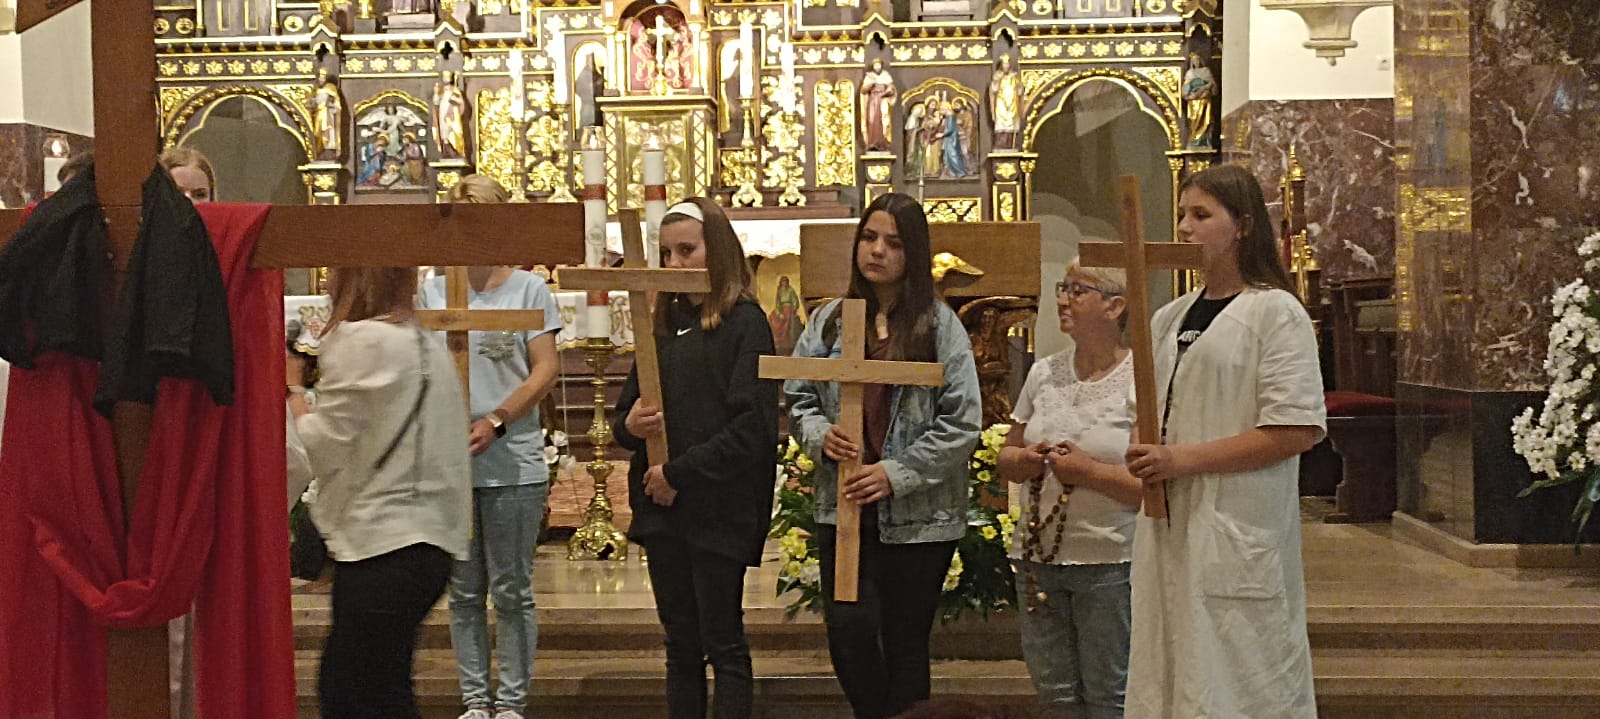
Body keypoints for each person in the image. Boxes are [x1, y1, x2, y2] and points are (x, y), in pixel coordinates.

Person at [1122, 164, 1325, 718]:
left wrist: (1179, 459)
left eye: (1201, 215)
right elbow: (1144, 410)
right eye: (1181, 214)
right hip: (1168, 525)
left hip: (1235, 522)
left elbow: (1295, 428)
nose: (1184, 227)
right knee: (1169, 673)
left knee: (1238, 681)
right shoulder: (1168, 318)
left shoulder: (1275, 312)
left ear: (1243, 225)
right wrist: (1144, 449)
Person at [786, 192, 982, 719]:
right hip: (845, 503)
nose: (877, 251)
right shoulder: (830, 321)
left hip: (918, 515)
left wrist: (896, 473)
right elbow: (799, 396)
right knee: (847, 630)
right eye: (869, 238)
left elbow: (963, 421)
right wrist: (820, 435)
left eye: (893, 243)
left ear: (913, 252)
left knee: (905, 642)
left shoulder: (938, 326)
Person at [611, 197, 778, 719]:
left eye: (687, 250)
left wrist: (678, 474)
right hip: (664, 509)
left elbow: (751, 427)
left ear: (718, 251)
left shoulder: (745, 323)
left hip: (717, 504)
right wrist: (631, 426)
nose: (674, 264)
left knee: (722, 641)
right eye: (666, 253)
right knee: (680, 643)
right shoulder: (661, 324)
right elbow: (624, 416)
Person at [290, 266, 471, 719]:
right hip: (430, 545)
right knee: (381, 689)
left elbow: (323, 446)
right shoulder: (426, 343)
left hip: (383, 544)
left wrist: (292, 391)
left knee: (352, 694)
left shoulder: (363, 340)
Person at [421, 175, 564, 719]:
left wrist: (497, 420)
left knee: (510, 590)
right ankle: (475, 701)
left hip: (511, 459)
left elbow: (544, 368)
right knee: (462, 593)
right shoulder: (434, 289)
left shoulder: (528, 289)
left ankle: (511, 703)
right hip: (449, 460)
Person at [996, 262, 1141, 719]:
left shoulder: (1140, 378)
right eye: (1064, 288)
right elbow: (1006, 456)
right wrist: (1024, 459)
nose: (1062, 299)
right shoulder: (1044, 373)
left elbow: (1150, 487)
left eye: (1078, 290)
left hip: (1108, 559)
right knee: (1055, 697)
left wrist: (1088, 472)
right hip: (1037, 557)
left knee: (1109, 695)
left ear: (1115, 306)